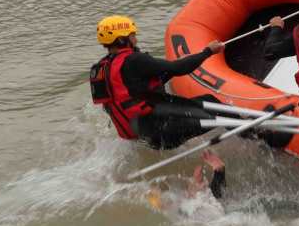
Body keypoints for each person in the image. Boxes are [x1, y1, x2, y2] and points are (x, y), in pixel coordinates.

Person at [90, 15, 224, 149]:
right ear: (120, 39)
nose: (135, 39)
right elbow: (179, 68)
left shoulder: (102, 68)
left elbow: (139, 90)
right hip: (164, 132)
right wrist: (208, 52)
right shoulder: (134, 60)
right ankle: (245, 133)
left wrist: (179, 65)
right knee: (218, 110)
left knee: (208, 100)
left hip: (145, 137)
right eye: (132, 35)